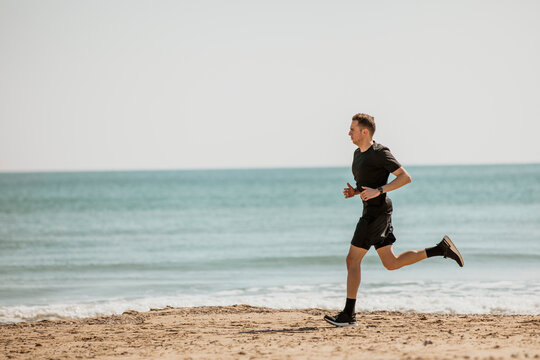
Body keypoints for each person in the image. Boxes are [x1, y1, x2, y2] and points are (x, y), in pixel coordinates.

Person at [324, 113, 464, 327]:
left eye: (352, 129)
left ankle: (348, 315)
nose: (348, 133)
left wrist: (379, 190)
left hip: (376, 213)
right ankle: (440, 249)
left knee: (352, 260)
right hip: (374, 210)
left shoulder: (380, 153)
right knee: (391, 263)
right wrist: (355, 192)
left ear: (365, 132)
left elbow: (405, 177)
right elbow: (367, 186)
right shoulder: (357, 155)